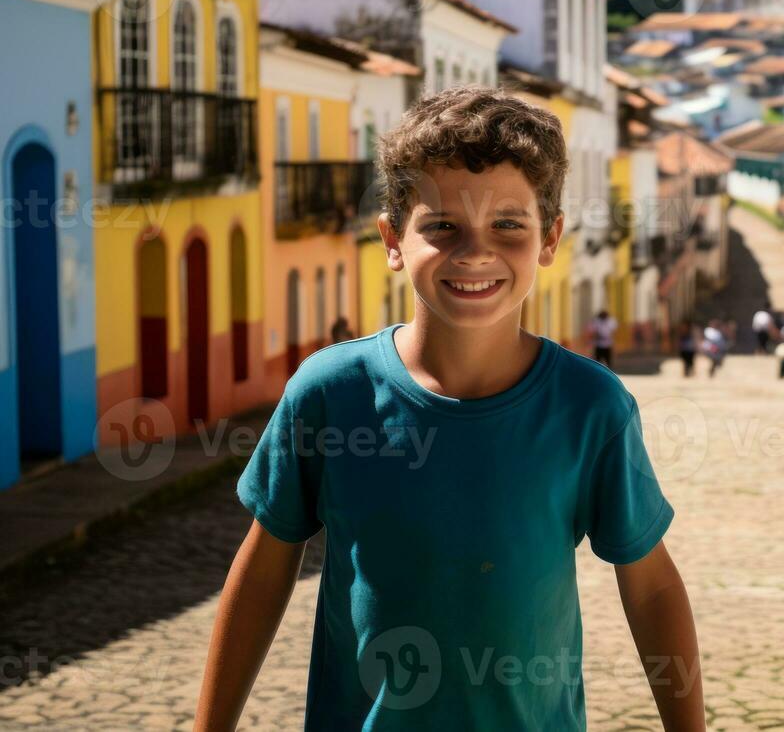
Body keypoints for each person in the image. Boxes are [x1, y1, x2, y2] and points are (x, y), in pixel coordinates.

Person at [195, 87, 704, 730]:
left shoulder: (590, 407)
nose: (475, 253)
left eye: (508, 226)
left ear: (549, 239)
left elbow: (651, 584)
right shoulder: (329, 392)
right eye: (442, 227)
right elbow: (264, 571)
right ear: (392, 239)